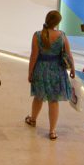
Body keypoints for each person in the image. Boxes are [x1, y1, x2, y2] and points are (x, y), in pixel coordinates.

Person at [26, 10, 75, 140]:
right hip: (57, 70)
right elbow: (69, 55)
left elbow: (33, 56)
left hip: (41, 69)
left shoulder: (37, 35)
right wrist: (73, 69)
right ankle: (52, 131)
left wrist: (30, 72)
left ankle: (32, 119)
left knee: (38, 97)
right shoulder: (62, 35)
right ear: (58, 22)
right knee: (53, 101)